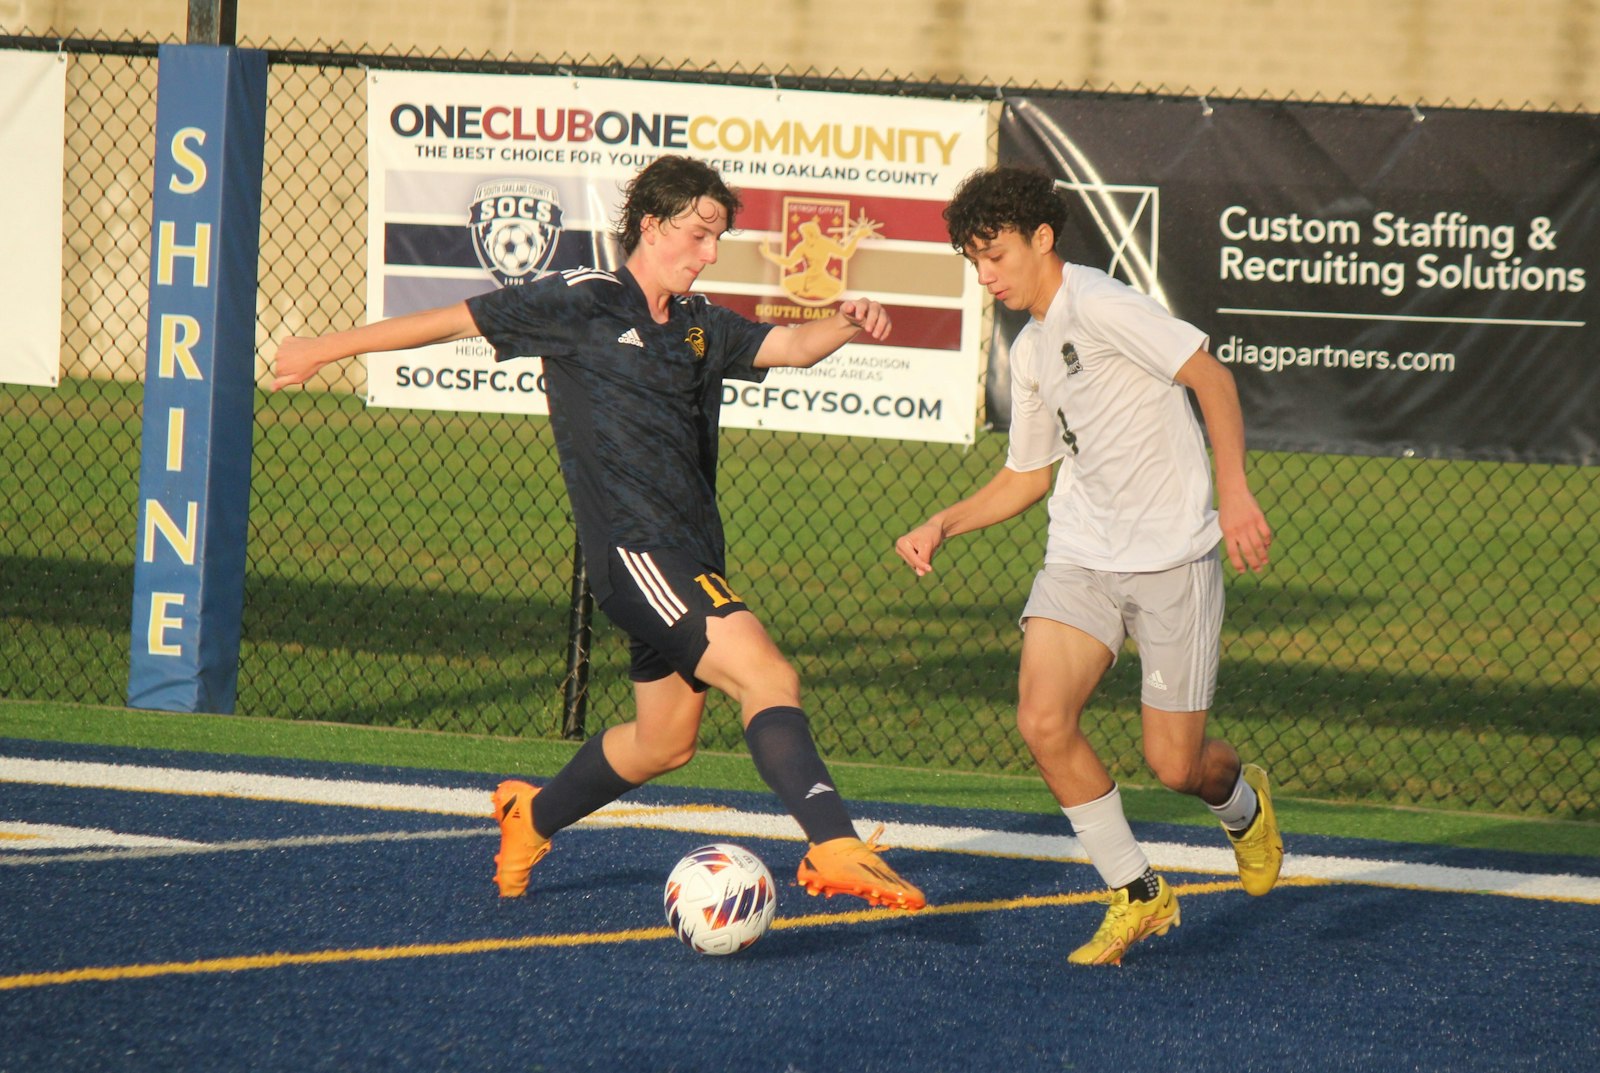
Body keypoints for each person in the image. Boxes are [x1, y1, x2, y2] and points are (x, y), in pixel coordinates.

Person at [273, 154, 925, 912]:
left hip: (689, 554)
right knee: (768, 676)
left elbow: (789, 345)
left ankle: (531, 815)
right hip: (637, 553)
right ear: (651, 226)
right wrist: (323, 348)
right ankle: (833, 843)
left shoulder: (696, 324)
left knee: (665, 742)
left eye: (719, 238)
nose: (710, 252)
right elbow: (454, 319)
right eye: (699, 233)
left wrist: (846, 321)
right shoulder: (584, 301)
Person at [894, 166, 1281, 964]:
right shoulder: (1032, 348)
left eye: (995, 254)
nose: (987, 275)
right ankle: (1137, 891)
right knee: (1042, 719)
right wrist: (945, 521)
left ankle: (1242, 803)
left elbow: (1211, 375)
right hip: (1082, 552)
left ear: (1043, 238)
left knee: (1176, 765)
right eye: (974, 261)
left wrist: (1236, 493)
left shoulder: (1102, 303)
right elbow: (1030, 477)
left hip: (1173, 556)